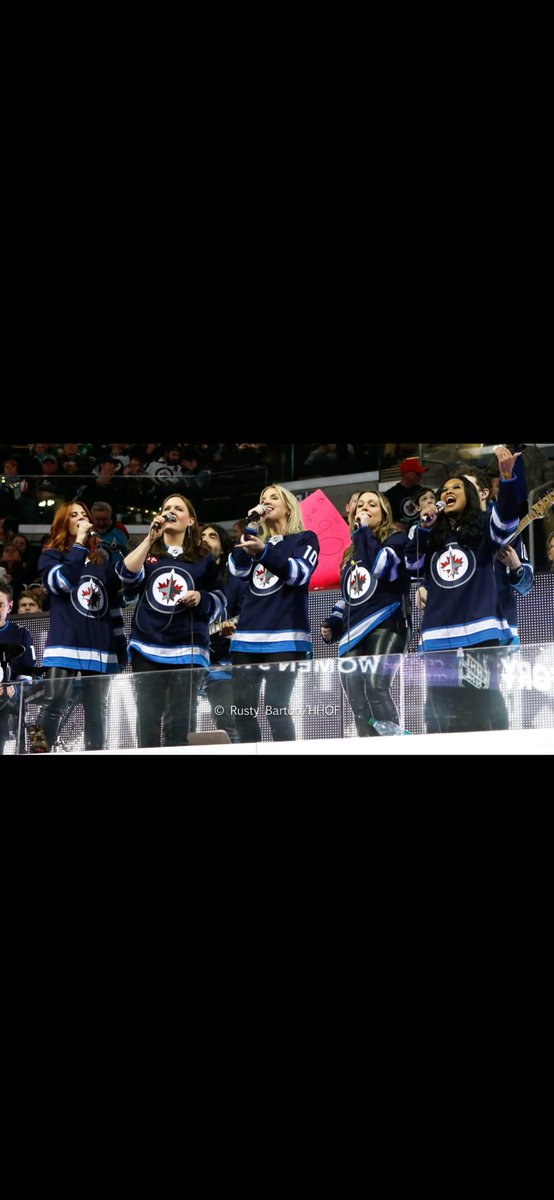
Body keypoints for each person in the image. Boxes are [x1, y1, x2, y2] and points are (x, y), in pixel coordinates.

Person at [405, 445, 521, 734]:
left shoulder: (483, 525)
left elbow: (507, 522)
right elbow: (411, 563)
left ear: (470, 494)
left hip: (478, 630)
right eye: (444, 489)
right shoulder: (431, 533)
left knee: (482, 706)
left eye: (456, 487)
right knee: (439, 714)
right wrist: (424, 528)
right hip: (438, 634)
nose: (448, 492)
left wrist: (507, 479)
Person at [122, 494, 227, 748]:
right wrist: (150, 538)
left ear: (190, 520)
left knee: (182, 722)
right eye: (167, 508)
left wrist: (201, 597)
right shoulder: (148, 550)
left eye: (178, 508)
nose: (171, 511)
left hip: (188, 649)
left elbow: (221, 599)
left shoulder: (203, 557)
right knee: (147, 718)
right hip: (147, 647)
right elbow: (126, 576)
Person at [34, 500, 137, 753]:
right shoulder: (51, 555)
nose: (81, 518)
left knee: (97, 711)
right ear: (63, 523)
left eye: (84, 514)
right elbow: (63, 583)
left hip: (99, 646)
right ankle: (36, 750)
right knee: (51, 703)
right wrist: (79, 544)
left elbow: (114, 606)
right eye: (74, 515)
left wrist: (120, 645)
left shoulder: (101, 561)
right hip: (65, 642)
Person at [227, 484, 320, 743]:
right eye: (263, 498)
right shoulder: (257, 540)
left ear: (288, 506)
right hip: (246, 638)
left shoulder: (305, 538)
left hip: (285, 637)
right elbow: (237, 571)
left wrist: (264, 552)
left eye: (273, 497)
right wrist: (250, 527)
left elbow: (298, 574)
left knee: (276, 708)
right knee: (242, 711)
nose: (266, 501)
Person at [321, 491, 412, 736]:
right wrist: (333, 622)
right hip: (353, 631)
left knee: (375, 687)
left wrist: (362, 532)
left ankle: (393, 744)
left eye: (372, 505)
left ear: (384, 513)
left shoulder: (396, 539)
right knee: (357, 701)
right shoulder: (350, 552)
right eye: (360, 505)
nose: (364, 509)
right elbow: (348, 596)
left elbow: (382, 567)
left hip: (385, 622)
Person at [199, 523, 248, 743]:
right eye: (202, 536)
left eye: (213, 536)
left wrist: (230, 627)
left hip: (223, 666)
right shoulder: (189, 576)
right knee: (178, 723)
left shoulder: (236, 580)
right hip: (190, 663)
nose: (205, 539)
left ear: (223, 547)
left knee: (228, 721)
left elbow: (246, 615)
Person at [0, 581, 36, 754]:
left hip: (17, 696)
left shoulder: (21, 633)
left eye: (0, 604)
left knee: (39, 713)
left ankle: (39, 750)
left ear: (10, 606)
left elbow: (30, 673)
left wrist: (14, 688)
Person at [384, 457, 429, 531]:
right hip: (400, 534)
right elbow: (384, 518)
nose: (420, 476)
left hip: (421, 531)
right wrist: (391, 524)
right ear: (406, 474)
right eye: (417, 473)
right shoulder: (391, 495)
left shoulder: (423, 492)